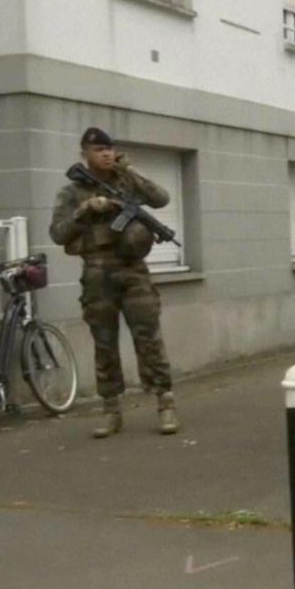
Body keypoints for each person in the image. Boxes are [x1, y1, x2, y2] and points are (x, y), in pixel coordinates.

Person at [49, 128, 178, 438]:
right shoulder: (72, 192)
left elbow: (161, 198)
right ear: (84, 154)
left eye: (109, 149)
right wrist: (85, 211)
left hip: (133, 270)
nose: (106, 154)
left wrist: (130, 170)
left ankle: (165, 403)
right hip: (97, 272)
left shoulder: (126, 179)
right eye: (99, 150)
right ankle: (111, 410)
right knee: (104, 343)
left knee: (148, 337)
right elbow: (58, 233)